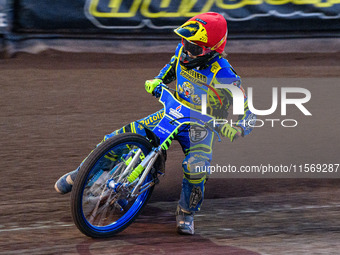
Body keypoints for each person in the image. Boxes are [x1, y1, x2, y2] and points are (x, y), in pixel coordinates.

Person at [55, 12, 256, 235]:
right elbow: (170, 69)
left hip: (201, 126)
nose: (187, 50)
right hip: (173, 111)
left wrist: (237, 128)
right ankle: (81, 173)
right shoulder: (183, 52)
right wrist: (158, 80)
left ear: (213, 50)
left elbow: (248, 111)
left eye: (195, 48)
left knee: (196, 168)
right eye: (185, 43)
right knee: (118, 137)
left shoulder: (225, 74)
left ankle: (186, 212)